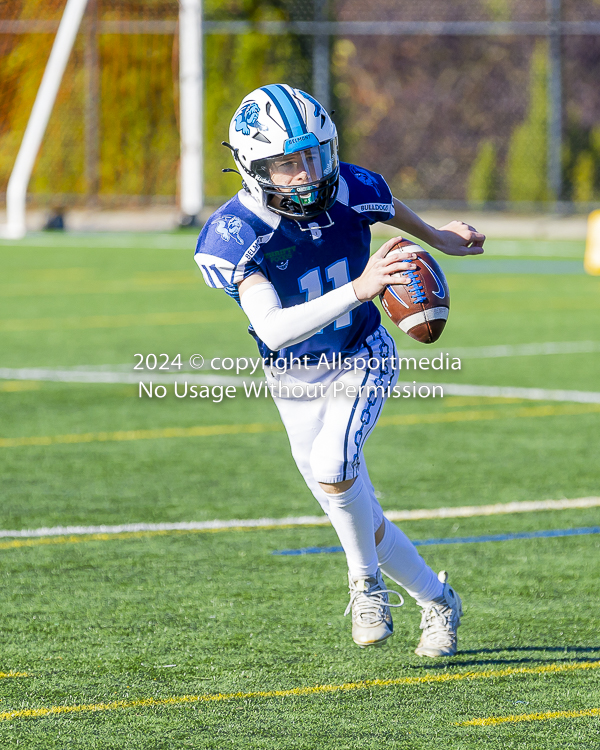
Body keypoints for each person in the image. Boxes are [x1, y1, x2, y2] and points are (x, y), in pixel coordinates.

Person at [194, 84, 485, 654]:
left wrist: (438, 240)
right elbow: (274, 328)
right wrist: (360, 287)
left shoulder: (350, 184)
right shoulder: (235, 233)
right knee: (355, 509)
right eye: (286, 165)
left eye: (313, 157)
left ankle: (365, 585)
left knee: (335, 466)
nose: (304, 175)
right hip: (291, 375)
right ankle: (437, 600)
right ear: (252, 169)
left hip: (361, 353)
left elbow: (382, 203)